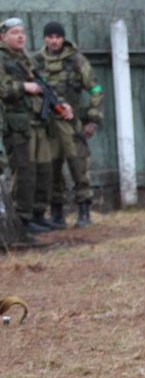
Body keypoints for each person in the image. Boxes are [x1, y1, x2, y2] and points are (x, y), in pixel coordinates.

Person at [0, 18, 72, 234]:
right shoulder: (3, 59)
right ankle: (23, 217)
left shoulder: (25, 59)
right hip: (17, 124)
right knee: (24, 171)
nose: (20, 36)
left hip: (38, 122)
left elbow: (43, 86)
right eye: (14, 32)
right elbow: (3, 89)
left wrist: (60, 104)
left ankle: (39, 213)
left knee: (44, 170)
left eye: (22, 32)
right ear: (3, 37)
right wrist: (24, 86)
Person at [32, 21, 104, 229]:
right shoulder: (36, 61)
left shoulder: (76, 60)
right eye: (50, 37)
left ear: (63, 38)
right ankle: (56, 213)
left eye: (58, 37)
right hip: (47, 124)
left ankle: (84, 211)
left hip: (73, 122)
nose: (54, 41)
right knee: (51, 168)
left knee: (78, 165)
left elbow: (95, 89)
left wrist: (92, 119)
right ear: (44, 38)